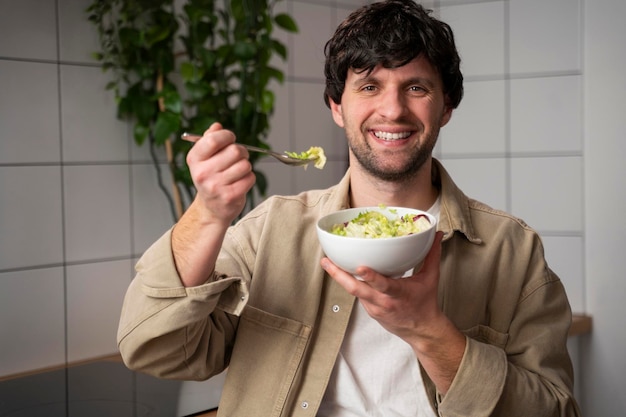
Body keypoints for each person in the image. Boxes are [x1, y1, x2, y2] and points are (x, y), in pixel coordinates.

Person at [117, 1, 582, 416]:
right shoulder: (270, 231)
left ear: (446, 107)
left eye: (416, 87)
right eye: (369, 87)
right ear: (337, 106)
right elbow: (152, 349)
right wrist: (209, 212)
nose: (392, 110)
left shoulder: (513, 251)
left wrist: (430, 332)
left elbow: (556, 411)